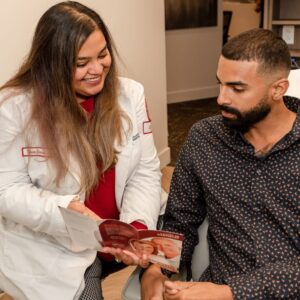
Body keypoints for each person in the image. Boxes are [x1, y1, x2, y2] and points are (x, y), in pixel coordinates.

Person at [0, 1, 161, 299]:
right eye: (81, 62)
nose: (97, 69)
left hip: (121, 232)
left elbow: (144, 170)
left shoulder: (131, 94)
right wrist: (65, 211)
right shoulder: (13, 107)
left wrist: (135, 225)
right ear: (52, 63)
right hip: (57, 243)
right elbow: (6, 190)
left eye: (102, 55)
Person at [141, 28, 300, 300]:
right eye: (220, 83)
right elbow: (180, 222)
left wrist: (230, 293)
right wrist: (156, 271)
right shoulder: (205, 138)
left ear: (278, 89)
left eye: (237, 88)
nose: (221, 98)